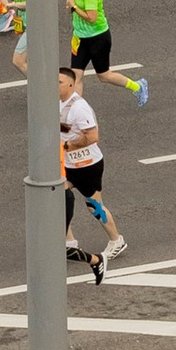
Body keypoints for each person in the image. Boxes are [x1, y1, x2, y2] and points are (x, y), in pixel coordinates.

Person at [58, 67, 127, 282]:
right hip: (68, 165)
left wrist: (66, 145)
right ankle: (69, 242)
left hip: (88, 165)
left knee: (93, 206)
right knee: (57, 198)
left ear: (70, 84)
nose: (54, 85)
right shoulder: (57, 102)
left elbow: (93, 136)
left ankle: (116, 241)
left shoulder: (80, 108)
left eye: (59, 82)